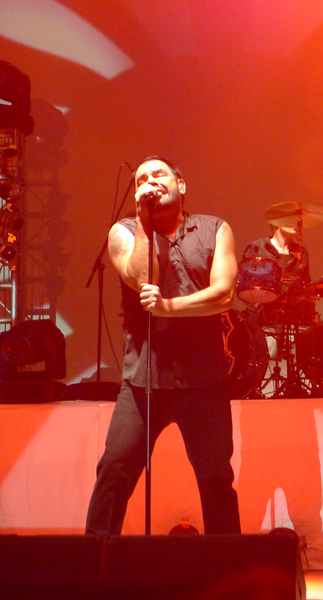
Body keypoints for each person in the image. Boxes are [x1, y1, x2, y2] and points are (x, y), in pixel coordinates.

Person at [85, 156, 241, 535]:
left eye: (159, 174)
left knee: (216, 479)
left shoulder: (216, 229)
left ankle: (229, 565)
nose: (150, 181)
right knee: (114, 472)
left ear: (180, 185)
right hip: (143, 382)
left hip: (203, 381)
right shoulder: (124, 232)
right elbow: (142, 278)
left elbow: (223, 295)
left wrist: (168, 307)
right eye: (142, 178)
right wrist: (143, 220)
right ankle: (94, 562)